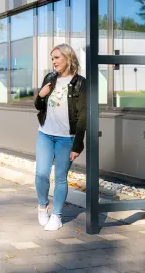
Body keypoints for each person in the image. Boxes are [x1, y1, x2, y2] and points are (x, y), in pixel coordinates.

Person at [34, 44, 86, 231]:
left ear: (68, 57)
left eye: (57, 58)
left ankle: (56, 215)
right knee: (41, 174)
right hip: (45, 134)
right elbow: (39, 105)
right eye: (52, 58)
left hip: (67, 138)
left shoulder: (80, 83)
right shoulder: (50, 78)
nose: (54, 62)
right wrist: (40, 95)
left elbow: (83, 116)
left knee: (61, 177)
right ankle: (42, 206)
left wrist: (77, 145)